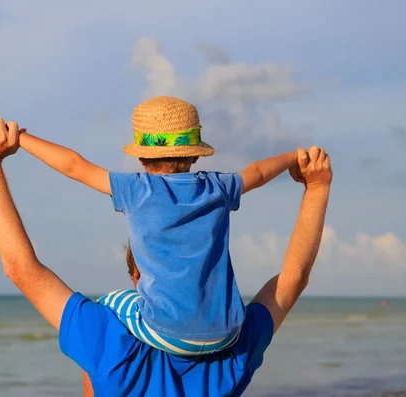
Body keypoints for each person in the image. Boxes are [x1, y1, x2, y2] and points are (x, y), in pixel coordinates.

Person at [0, 118, 332, 396]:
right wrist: (316, 186)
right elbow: (293, 277)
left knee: (108, 311)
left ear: (138, 275)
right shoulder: (234, 352)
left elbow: (20, 268)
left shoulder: (111, 345)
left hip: (116, 357)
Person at [18, 96, 300, 355]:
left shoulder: (138, 189)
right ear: (195, 154)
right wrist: (294, 157)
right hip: (227, 332)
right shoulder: (218, 187)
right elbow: (259, 172)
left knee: (110, 302)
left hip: (167, 333)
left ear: (141, 157)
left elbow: (74, 166)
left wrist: (20, 138)